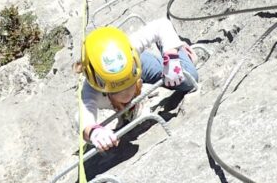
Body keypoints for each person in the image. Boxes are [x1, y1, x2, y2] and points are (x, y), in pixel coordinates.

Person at [78, 19, 198, 152]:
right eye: (122, 96)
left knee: (188, 79)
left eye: (132, 90)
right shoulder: (92, 90)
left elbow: (161, 25)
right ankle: (126, 111)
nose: (128, 96)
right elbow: (83, 118)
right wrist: (94, 133)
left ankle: (178, 52)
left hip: (137, 66)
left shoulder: (129, 50)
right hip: (130, 74)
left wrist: (171, 53)